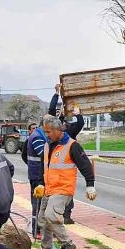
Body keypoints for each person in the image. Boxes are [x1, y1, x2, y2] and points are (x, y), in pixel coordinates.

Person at [34, 115, 96, 249]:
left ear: (57, 130)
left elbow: (85, 165)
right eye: (45, 132)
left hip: (63, 189)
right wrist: (41, 183)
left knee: (51, 215)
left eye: (48, 132)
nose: (46, 135)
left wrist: (90, 185)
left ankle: (67, 244)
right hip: (49, 189)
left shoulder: (72, 145)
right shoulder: (48, 145)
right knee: (42, 219)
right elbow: (46, 168)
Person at [48, 84, 85, 224]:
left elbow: (79, 122)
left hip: (63, 171)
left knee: (65, 194)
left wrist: (76, 112)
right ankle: (63, 215)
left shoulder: (67, 132)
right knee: (61, 194)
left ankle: (65, 215)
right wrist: (57, 94)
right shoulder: (59, 132)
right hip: (57, 170)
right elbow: (52, 112)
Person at [24, 121, 46, 239]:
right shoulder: (37, 137)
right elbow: (44, 154)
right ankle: (36, 230)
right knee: (37, 204)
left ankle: (38, 229)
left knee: (39, 203)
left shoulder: (38, 135)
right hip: (37, 175)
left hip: (36, 174)